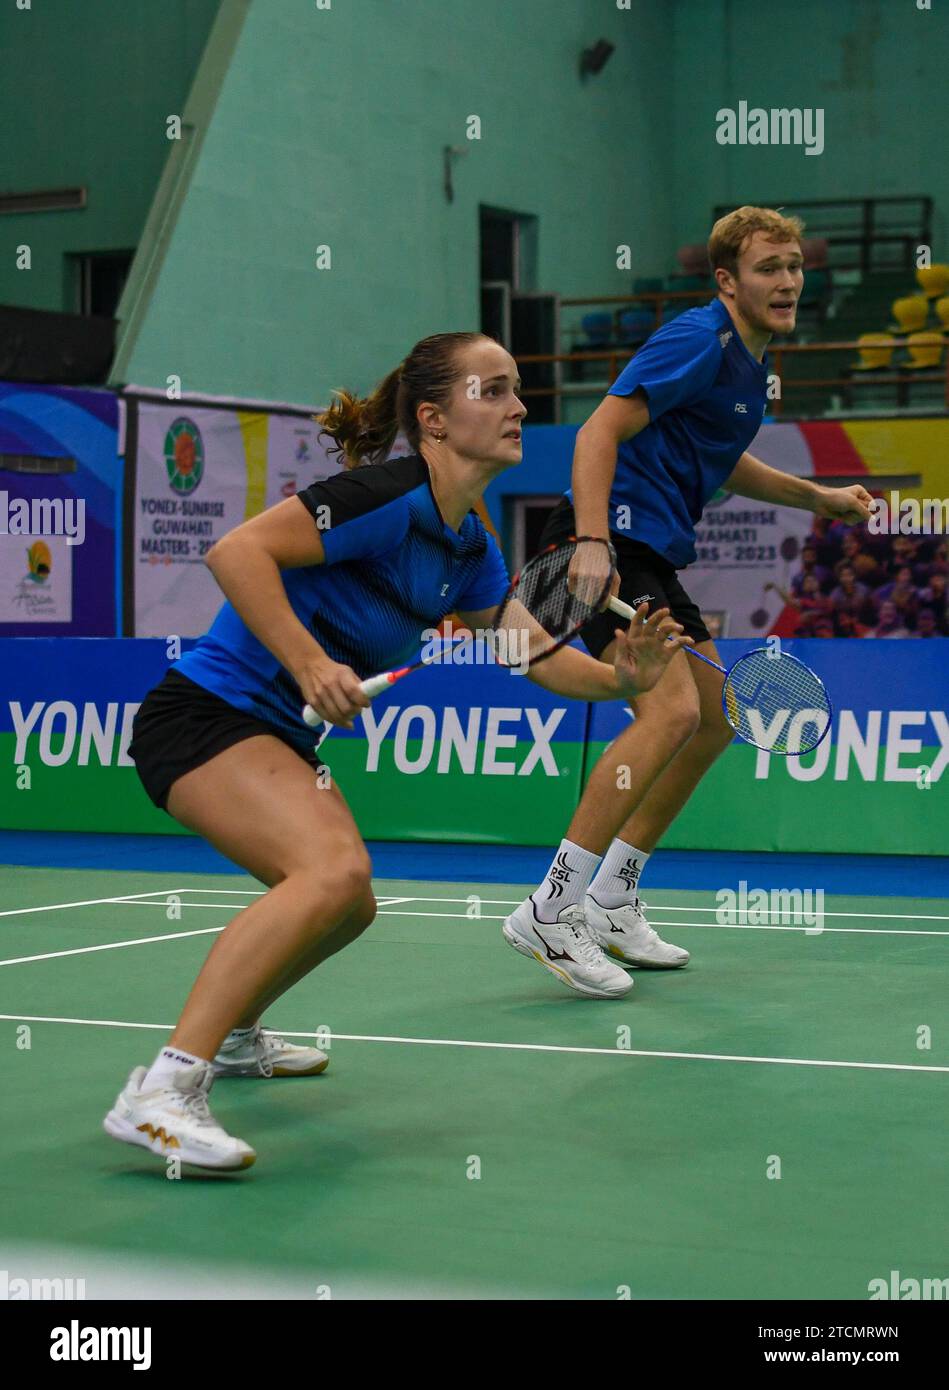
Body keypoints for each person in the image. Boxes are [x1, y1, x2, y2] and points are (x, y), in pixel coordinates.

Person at [103, 332, 691, 1171]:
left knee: (351, 902)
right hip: (206, 715)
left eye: (517, 389)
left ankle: (234, 1037)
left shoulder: (468, 545)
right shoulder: (386, 496)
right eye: (493, 391)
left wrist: (616, 677)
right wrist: (310, 660)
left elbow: (528, 652)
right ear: (435, 420)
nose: (520, 406)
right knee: (329, 875)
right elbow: (236, 552)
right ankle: (161, 1091)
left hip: (274, 731)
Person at [504, 207, 872, 994]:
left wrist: (818, 499)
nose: (786, 280)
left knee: (711, 718)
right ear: (726, 280)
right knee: (667, 713)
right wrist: (594, 543)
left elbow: (723, 459)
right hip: (611, 545)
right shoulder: (697, 339)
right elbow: (596, 431)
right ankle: (549, 907)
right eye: (767, 266)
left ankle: (611, 896)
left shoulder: (744, 365)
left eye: (793, 266)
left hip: (653, 552)